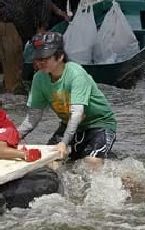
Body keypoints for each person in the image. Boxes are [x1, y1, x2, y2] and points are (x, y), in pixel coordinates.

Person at [18, 32, 117, 162]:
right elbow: (33, 116)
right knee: (48, 160)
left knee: (92, 161)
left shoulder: (76, 74)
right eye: (38, 58)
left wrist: (64, 143)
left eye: (45, 58)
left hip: (99, 124)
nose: (40, 62)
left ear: (60, 57)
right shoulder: (39, 78)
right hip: (69, 124)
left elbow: (76, 114)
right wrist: (14, 136)